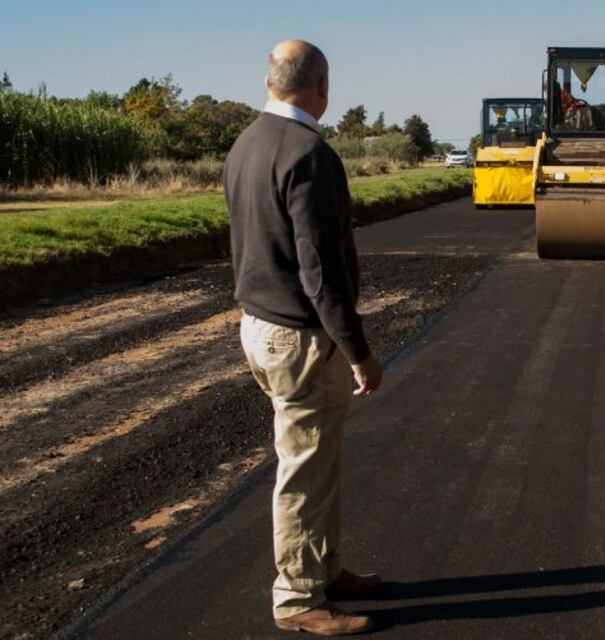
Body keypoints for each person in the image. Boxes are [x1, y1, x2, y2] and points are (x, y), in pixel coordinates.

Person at [223, 39, 383, 636]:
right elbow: (321, 269)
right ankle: (297, 598)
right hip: (301, 336)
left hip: (258, 324)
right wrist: (358, 350)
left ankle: (324, 570)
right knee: (304, 469)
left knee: (317, 461)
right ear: (320, 85)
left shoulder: (246, 144)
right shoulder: (308, 153)